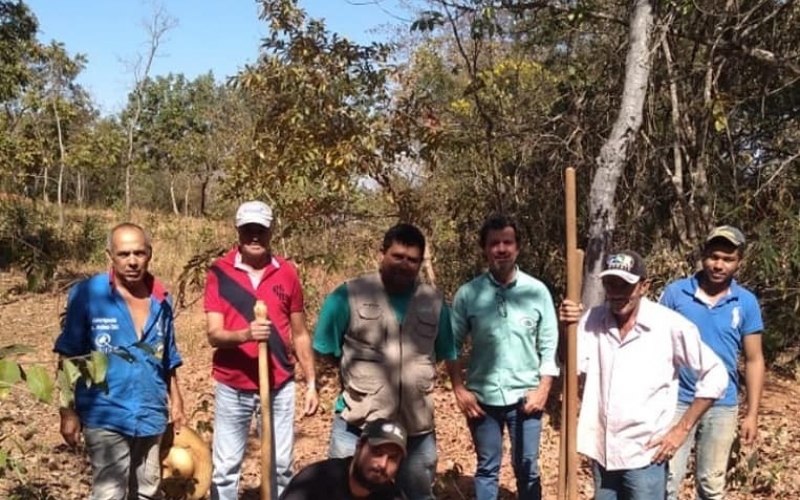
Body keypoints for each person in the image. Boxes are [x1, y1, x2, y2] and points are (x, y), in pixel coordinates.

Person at [558, 249, 727, 500]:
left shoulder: (669, 325)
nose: (616, 292)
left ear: (643, 286)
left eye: (625, 284)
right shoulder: (593, 320)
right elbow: (570, 363)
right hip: (603, 453)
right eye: (610, 283)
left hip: (645, 456)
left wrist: (681, 430)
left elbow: (716, 374)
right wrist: (565, 329)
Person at [313, 223, 456, 500]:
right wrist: (353, 380)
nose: (404, 265)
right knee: (343, 493)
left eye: (412, 260)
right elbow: (324, 347)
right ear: (382, 253)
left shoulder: (435, 302)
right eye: (397, 256)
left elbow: (446, 352)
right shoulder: (349, 294)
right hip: (358, 427)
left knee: (417, 495)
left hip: (416, 432)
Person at [54, 222, 185, 500]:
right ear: (109, 255)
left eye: (139, 253)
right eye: (124, 254)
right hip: (105, 412)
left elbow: (167, 357)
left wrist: (178, 402)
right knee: (110, 493)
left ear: (150, 253)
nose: (133, 261)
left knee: (148, 491)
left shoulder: (162, 299)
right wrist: (67, 411)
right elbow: (69, 355)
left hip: (151, 413)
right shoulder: (88, 294)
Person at [204, 200, 318, 500]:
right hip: (233, 385)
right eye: (248, 230)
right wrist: (245, 334)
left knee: (280, 465)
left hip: (279, 386)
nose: (254, 236)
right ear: (238, 231)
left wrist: (311, 383)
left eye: (261, 230)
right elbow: (214, 335)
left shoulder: (287, 273)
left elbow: (300, 333)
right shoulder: (220, 272)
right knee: (226, 468)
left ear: (271, 232)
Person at [445, 214, 558, 500]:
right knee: (487, 468)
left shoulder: (537, 292)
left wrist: (543, 389)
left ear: (517, 248)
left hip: (526, 398)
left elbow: (549, 344)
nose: (502, 249)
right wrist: (459, 388)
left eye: (508, 242)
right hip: (483, 399)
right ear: (485, 248)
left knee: (528, 468)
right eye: (494, 243)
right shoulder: (469, 294)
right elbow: (450, 343)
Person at [662, 226, 765, 500]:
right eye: (713, 256)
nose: (718, 265)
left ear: (738, 261)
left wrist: (752, 413)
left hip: (722, 403)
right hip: (677, 401)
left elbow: (754, 359)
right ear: (703, 256)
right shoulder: (676, 294)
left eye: (727, 259)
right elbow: (656, 346)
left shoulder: (746, 302)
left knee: (710, 482)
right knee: (667, 478)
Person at [279, 418, 408, 500]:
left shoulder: (392, 495)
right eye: (377, 452)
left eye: (392, 458)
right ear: (359, 446)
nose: (382, 464)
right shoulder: (315, 483)